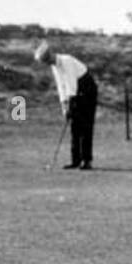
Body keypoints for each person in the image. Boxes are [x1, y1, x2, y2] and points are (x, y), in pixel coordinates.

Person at [35, 41, 98, 170]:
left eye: (47, 60)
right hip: (74, 91)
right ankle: (76, 160)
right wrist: (64, 107)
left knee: (85, 125)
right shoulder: (55, 66)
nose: (47, 64)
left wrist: (71, 105)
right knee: (74, 125)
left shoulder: (67, 61)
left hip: (87, 88)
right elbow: (61, 86)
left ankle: (87, 160)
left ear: (50, 55)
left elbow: (71, 85)